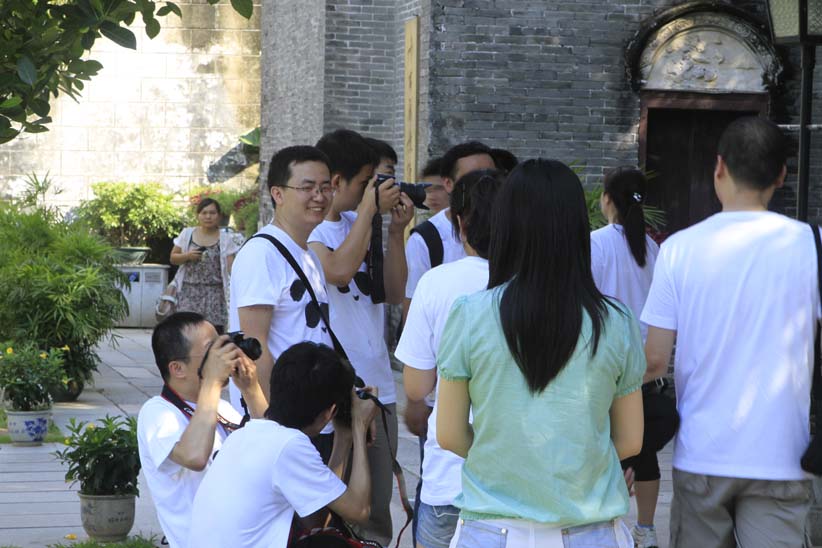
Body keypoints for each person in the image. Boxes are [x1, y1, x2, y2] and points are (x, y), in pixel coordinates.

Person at [437, 159, 644, 548]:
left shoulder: (470, 314)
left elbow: (448, 433)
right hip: (591, 531)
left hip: (491, 532)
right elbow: (631, 440)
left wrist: (508, 460)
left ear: (506, 226)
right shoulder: (615, 322)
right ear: (577, 228)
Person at [642, 116, 820, 548]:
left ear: (719, 167)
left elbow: (655, 360)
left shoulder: (678, 249)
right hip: (782, 455)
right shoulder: (811, 244)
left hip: (703, 454)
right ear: (781, 175)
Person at [311, 129, 413, 546]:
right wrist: (371, 212)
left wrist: (395, 232)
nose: (372, 190)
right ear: (338, 180)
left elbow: (392, 292)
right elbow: (337, 272)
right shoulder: (313, 232)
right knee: (333, 503)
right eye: (366, 181)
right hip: (337, 389)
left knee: (374, 506)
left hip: (377, 385)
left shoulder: (361, 223)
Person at [397, 169, 503, 548]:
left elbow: (416, 386)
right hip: (515, 480)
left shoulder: (437, 283)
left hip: (448, 474)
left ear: (459, 222)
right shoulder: (534, 287)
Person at [187, 342, 379, 548]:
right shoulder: (289, 445)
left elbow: (317, 519)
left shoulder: (245, 434)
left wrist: (343, 439)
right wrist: (359, 426)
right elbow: (359, 510)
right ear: (330, 412)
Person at [591, 167, 677, 548]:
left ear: (607, 199)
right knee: (643, 452)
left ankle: (609, 523)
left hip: (607, 366)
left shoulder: (595, 244)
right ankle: (645, 528)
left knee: (612, 448)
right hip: (645, 367)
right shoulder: (653, 249)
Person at [137, 311, 268, 548]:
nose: (222, 356)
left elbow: (274, 447)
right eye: (212, 351)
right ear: (177, 368)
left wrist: (252, 390)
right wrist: (212, 382)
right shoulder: (157, 412)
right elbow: (195, 457)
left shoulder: (222, 407)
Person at [228, 145, 335, 413]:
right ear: (278, 194)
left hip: (311, 414)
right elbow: (254, 347)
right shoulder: (262, 253)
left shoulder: (308, 254)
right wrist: (273, 417)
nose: (319, 196)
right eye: (307, 187)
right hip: (281, 415)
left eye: (325, 187)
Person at [170, 198, 245, 333]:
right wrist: (187, 256)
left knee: (214, 332)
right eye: (204, 213)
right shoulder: (187, 234)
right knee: (188, 331)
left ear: (219, 216)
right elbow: (173, 258)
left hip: (215, 295)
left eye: (212, 213)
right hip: (189, 293)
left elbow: (231, 268)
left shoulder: (226, 239)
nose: (208, 216)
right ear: (198, 215)